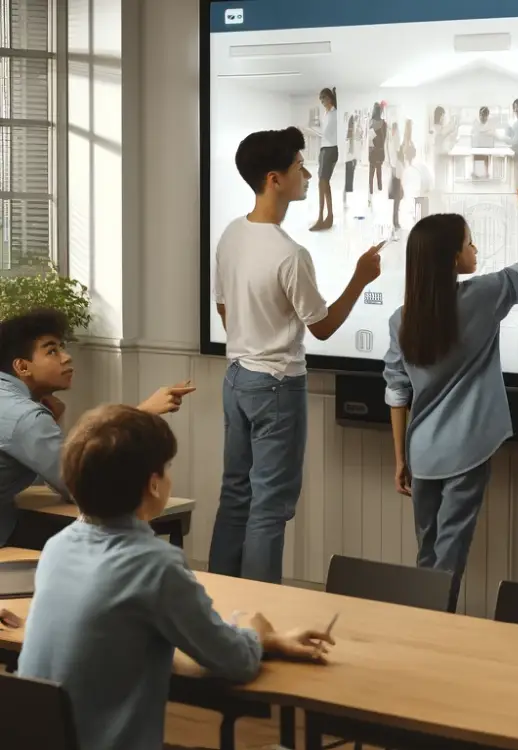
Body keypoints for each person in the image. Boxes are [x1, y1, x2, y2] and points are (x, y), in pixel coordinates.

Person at [16, 404, 335, 750]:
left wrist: (269, 642)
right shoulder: (155, 565)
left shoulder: (57, 548)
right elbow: (235, 662)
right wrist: (256, 631)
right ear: (154, 485)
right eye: (166, 469)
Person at [210, 126, 384, 584]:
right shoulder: (290, 254)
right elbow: (323, 327)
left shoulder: (231, 234)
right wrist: (361, 278)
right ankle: (260, 613)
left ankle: (221, 605)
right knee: (269, 507)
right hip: (277, 385)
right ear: (274, 179)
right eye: (299, 167)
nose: (308, 174)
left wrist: (250, 338)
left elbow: (223, 304)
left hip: (237, 378)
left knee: (235, 496)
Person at [383, 176, 518, 613]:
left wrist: (401, 456)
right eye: (470, 245)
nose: (475, 252)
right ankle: (439, 634)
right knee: (450, 554)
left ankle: (422, 627)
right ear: (453, 258)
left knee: (426, 552)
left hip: (424, 453)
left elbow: (397, 392)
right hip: (469, 450)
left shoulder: (401, 319)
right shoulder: (484, 295)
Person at [0, 308, 195, 548]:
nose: (66, 357)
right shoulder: (27, 418)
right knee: (121, 539)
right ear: (22, 366)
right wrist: (139, 414)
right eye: (52, 351)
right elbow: (80, 484)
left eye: (62, 347)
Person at [310, 86, 338, 231]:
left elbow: (325, 133)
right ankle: (328, 217)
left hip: (330, 149)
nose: (322, 101)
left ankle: (322, 217)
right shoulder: (326, 114)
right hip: (325, 149)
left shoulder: (334, 114)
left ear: (330, 98)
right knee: (324, 184)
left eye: (324, 98)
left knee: (322, 183)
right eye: (320, 99)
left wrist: (312, 129)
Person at [368, 102, 388, 208]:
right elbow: (384, 138)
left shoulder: (371, 122)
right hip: (379, 150)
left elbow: (370, 139)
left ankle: (371, 190)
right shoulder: (384, 124)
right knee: (379, 170)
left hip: (372, 150)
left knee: (371, 172)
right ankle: (379, 188)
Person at [343, 113, 359, 213]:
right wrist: (351, 160)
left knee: (349, 182)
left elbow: (353, 149)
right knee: (347, 182)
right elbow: (348, 150)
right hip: (349, 161)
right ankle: (344, 201)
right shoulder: (349, 135)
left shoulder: (352, 135)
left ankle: (345, 201)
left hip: (351, 160)